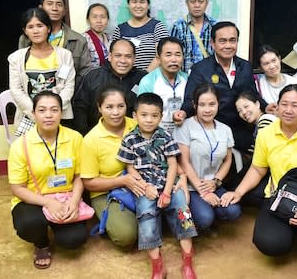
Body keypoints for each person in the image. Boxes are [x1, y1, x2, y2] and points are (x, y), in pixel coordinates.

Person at [221, 84, 297, 264]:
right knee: (270, 244)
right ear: (277, 106)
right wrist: (237, 192)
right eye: (284, 104)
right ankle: (291, 232)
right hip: (280, 196)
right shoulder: (267, 133)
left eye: (295, 105)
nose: (289, 110)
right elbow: (257, 168)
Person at [117, 93, 197, 279]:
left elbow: (172, 165)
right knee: (146, 215)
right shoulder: (129, 140)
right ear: (135, 115)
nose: (149, 120)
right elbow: (130, 168)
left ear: (161, 116)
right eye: (144, 115)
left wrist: (167, 192)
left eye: (154, 115)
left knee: (183, 211)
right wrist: (145, 187)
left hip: (169, 184)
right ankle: (157, 265)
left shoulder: (166, 136)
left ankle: (187, 261)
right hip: (145, 187)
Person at [8, 91, 87, 269]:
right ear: (33, 113)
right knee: (29, 224)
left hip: (66, 197)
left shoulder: (75, 138)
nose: (49, 115)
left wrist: (74, 201)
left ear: (62, 112)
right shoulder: (20, 145)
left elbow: (79, 176)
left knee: (74, 240)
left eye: (54, 110)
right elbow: (17, 188)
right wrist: (48, 203)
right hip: (33, 198)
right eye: (42, 110)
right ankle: (41, 243)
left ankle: (58, 226)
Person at [178, 21, 267, 154]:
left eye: (232, 41)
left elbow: (252, 95)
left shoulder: (245, 67)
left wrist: (267, 107)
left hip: (242, 128)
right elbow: (191, 99)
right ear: (213, 44)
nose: (228, 45)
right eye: (222, 41)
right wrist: (183, 113)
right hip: (212, 129)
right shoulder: (200, 69)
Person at [80, 85, 142, 248]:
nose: (116, 112)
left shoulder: (137, 125)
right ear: (99, 108)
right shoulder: (91, 140)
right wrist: (123, 181)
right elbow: (89, 183)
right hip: (106, 191)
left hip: (141, 182)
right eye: (109, 107)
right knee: (125, 236)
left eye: (120, 106)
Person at [174, 84, 241, 231]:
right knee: (205, 218)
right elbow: (183, 162)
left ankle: (210, 211)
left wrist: (216, 182)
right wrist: (203, 191)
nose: (207, 109)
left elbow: (228, 160)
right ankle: (201, 216)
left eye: (212, 104)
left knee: (233, 211)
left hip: (213, 184)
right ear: (194, 105)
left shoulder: (225, 129)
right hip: (191, 186)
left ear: (218, 104)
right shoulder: (185, 126)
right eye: (202, 105)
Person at [9, 7, 75, 135]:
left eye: (40, 26)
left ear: (48, 28)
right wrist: (36, 113)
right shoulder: (16, 58)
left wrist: (54, 111)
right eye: (30, 27)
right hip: (29, 117)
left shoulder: (64, 56)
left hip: (60, 117)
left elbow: (68, 85)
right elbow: (16, 90)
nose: (35, 31)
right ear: (25, 31)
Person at [18, 0, 91, 89]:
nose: (54, 8)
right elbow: (20, 71)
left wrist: (67, 89)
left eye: (59, 4)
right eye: (49, 4)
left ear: (65, 11)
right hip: (34, 93)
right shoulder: (26, 39)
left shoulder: (79, 40)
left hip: (68, 94)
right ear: (40, 8)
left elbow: (85, 73)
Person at [73, 39, 147, 135]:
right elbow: (79, 108)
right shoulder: (93, 77)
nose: (123, 60)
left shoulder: (143, 79)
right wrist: (84, 135)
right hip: (98, 138)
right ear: (110, 56)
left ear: (134, 58)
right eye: (118, 55)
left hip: (134, 138)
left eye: (128, 56)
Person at [232, 91, 277, 206]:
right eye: (239, 111)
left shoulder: (265, 120)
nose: (244, 112)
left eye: (246, 106)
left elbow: (264, 155)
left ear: (257, 104)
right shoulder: (258, 124)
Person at [137, 37, 188, 133]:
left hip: (184, 135)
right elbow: (142, 114)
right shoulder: (148, 81)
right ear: (158, 58)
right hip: (157, 136)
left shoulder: (188, 79)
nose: (173, 59)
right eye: (168, 55)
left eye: (178, 55)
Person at [112, 0, 169, 72]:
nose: (138, 6)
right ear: (128, 4)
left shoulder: (158, 26)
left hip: (152, 78)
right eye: (134, 2)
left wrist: (143, 78)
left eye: (142, 2)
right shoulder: (120, 30)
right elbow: (113, 57)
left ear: (148, 5)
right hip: (125, 80)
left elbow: (162, 55)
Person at [170, 0, 217, 73]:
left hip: (211, 79)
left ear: (206, 3)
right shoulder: (178, 27)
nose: (197, 5)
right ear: (187, 3)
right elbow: (173, 56)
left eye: (200, 1)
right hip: (185, 79)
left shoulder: (215, 26)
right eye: (193, 1)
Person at [83, 3, 111, 67]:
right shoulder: (83, 39)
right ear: (88, 20)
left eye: (103, 17)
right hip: (92, 76)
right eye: (94, 17)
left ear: (108, 20)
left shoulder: (110, 38)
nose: (99, 21)